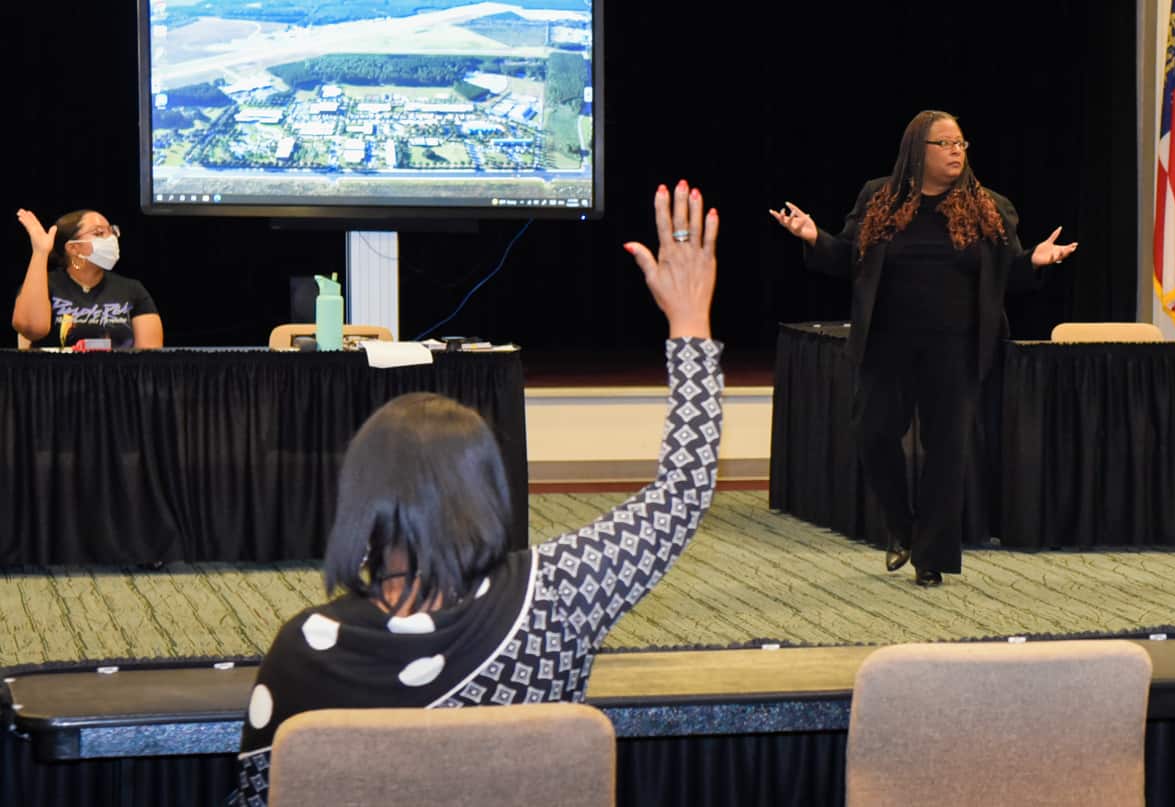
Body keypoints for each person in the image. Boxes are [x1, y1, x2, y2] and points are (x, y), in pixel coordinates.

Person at [230, 179, 722, 805]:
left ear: (359, 506)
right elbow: (682, 491)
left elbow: (260, 796)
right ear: (488, 491)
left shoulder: (303, 650)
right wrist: (689, 319)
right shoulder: (557, 597)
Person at [769, 110, 1076, 587]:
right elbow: (849, 260)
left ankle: (931, 557)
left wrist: (1034, 261)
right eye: (945, 143)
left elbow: (1008, 277)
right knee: (873, 434)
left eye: (961, 143)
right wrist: (814, 238)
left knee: (947, 452)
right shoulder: (879, 198)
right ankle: (903, 526)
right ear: (918, 151)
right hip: (886, 345)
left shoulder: (990, 206)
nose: (957, 151)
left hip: (956, 350)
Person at [12, 208, 163, 349]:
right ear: (73, 248)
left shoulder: (132, 289)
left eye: (112, 231)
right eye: (99, 233)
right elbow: (32, 330)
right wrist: (40, 252)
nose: (111, 238)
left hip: (118, 370)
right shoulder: (45, 285)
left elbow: (150, 356)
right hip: (55, 369)